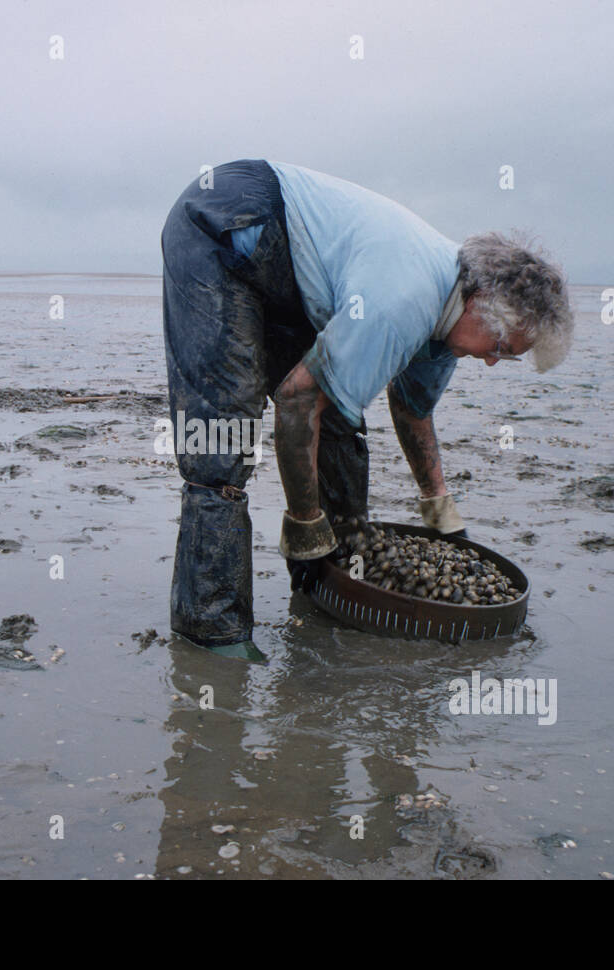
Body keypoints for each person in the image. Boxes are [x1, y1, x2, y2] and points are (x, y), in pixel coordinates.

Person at [161, 159, 573, 654]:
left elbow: (413, 410)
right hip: (227, 224)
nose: (491, 360)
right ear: (482, 299)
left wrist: (440, 510)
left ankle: (325, 586)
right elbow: (296, 399)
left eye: (507, 358)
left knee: (339, 419)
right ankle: (212, 635)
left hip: (292, 274)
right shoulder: (404, 301)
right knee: (222, 446)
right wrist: (305, 521)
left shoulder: (449, 326)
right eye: (501, 346)